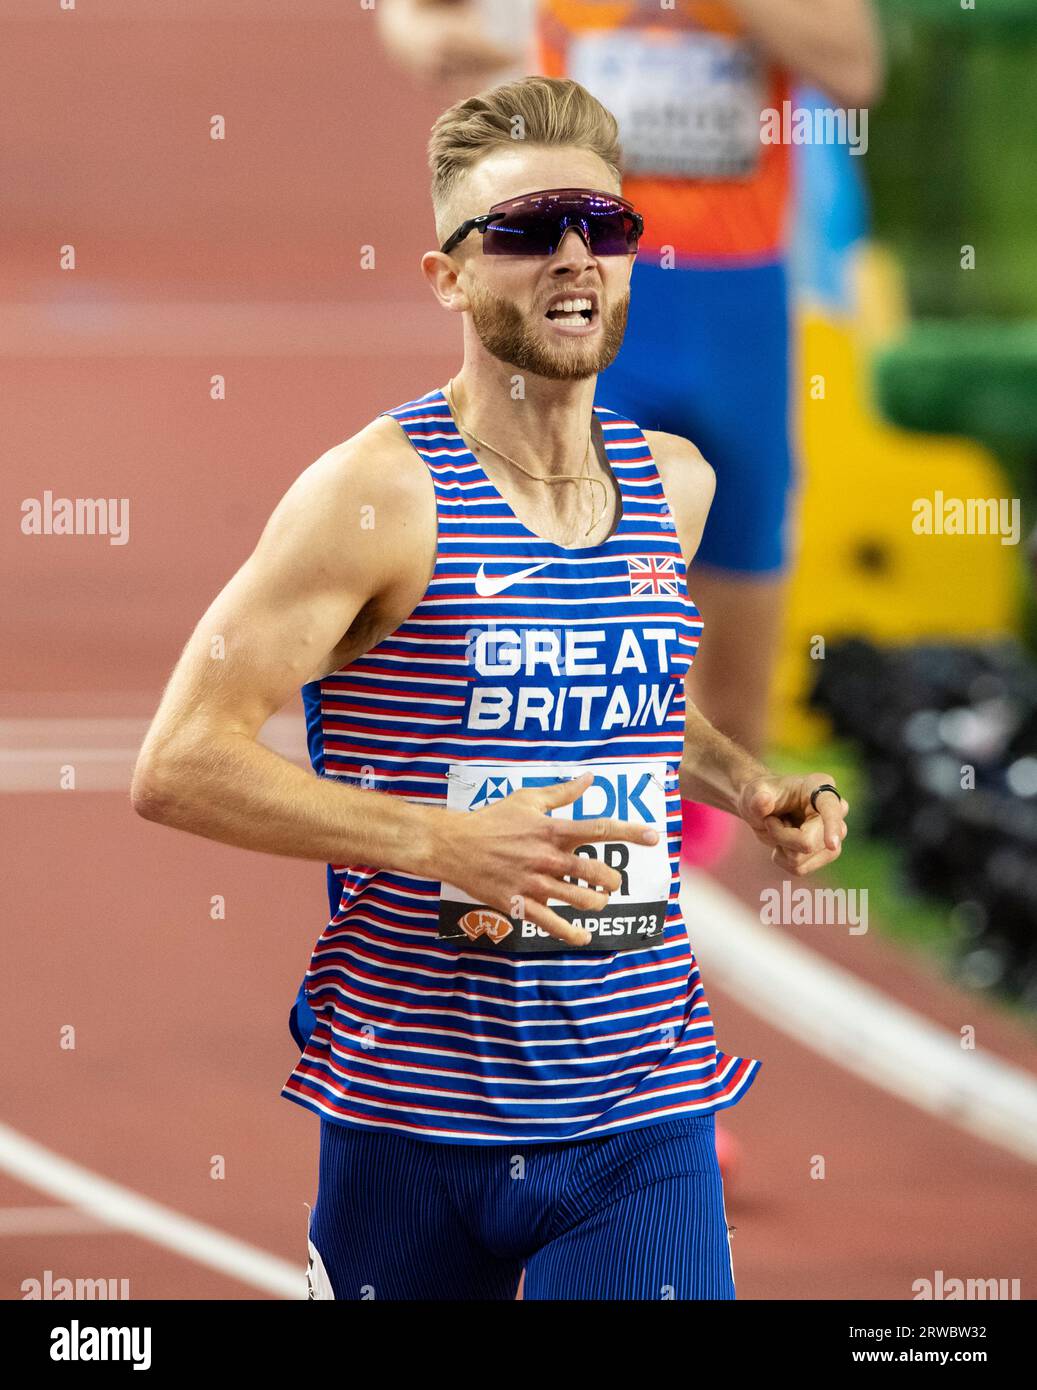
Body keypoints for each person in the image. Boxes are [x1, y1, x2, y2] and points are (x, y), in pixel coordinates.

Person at [131, 75, 849, 1301]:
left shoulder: (673, 486)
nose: (573, 256)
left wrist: (744, 778)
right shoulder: (374, 501)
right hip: (403, 1113)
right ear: (447, 277)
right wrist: (437, 838)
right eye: (522, 233)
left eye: (602, 228)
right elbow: (179, 761)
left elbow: (618, 694)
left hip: (640, 1107)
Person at [378, 0, 882, 847]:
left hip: (740, 307)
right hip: (595, 286)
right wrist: (430, 40)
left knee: (736, 657)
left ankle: (678, 888)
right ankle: (562, 870)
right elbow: (416, 18)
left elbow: (857, 70)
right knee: (574, 599)